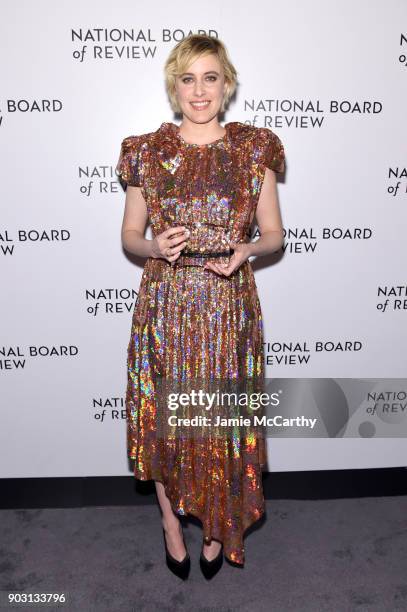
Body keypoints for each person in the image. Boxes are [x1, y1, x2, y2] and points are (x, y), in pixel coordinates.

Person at [116, 34, 285, 579]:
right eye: (187, 79)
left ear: (227, 84)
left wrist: (248, 249)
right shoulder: (146, 150)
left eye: (209, 77)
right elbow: (130, 235)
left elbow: (274, 235)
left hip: (228, 305)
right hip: (166, 300)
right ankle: (171, 522)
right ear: (174, 87)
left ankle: (216, 524)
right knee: (165, 420)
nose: (199, 90)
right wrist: (153, 247)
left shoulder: (254, 149)